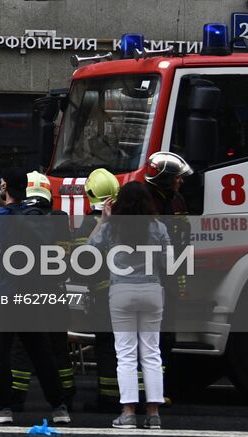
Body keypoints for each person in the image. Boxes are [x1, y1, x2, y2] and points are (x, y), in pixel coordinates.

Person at [0, 169, 71, 426]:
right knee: (42, 354)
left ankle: (3, 408)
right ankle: (59, 407)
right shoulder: (40, 217)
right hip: (31, 296)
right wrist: (0, 198)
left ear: (5, 185)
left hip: (3, 296)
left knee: (0, 354)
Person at [88, 180, 170, 430]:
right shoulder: (158, 227)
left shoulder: (113, 226)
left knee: (125, 354)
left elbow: (91, 248)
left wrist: (104, 219)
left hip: (122, 291)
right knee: (152, 352)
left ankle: (128, 413)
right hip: (152, 290)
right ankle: (154, 413)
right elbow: (168, 262)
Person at [75, 168, 121, 410]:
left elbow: (82, 261)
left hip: (104, 296)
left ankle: (108, 396)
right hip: (127, 292)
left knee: (105, 346)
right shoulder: (127, 222)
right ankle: (132, 396)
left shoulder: (89, 225)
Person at [144, 150, 192, 382]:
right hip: (148, 279)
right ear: (164, 179)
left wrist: (181, 277)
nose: (181, 181)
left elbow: (183, 239)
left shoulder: (177, 200)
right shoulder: (145, 202)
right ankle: (149, 388)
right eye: (177, 177)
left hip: (168, 279)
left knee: (166, 335)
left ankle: (159, 386)